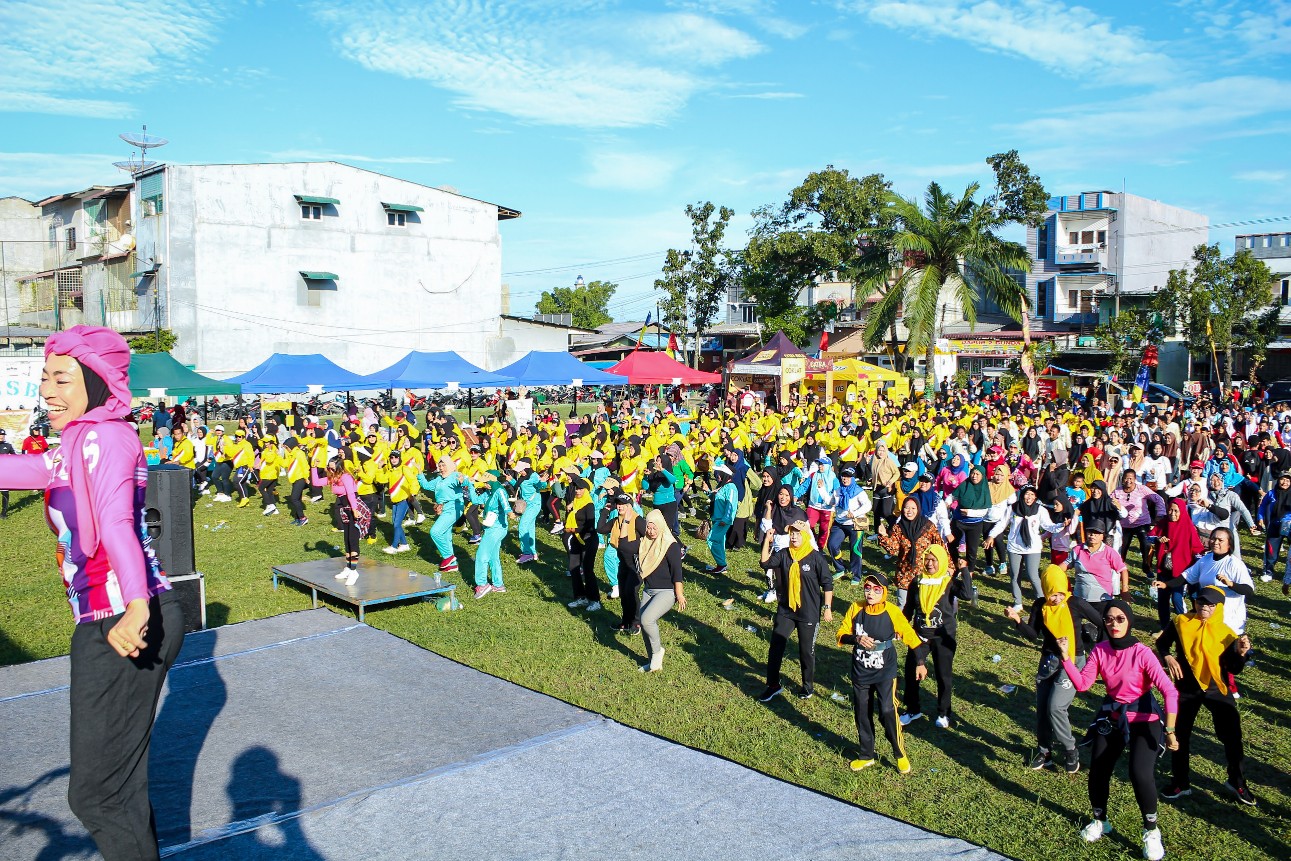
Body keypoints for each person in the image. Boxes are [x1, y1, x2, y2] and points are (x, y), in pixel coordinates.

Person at [0, 325, 184, 861]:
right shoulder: (76, 444)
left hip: (123, 619)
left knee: (97, 794)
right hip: (112, 617)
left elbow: (116, 522)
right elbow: (23, 469)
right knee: (116, 790)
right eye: (43, 378)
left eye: (62, 378)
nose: (47, 391)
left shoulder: (104, 437)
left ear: (98, 384)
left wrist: (137, 605)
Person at [1059, 601, 1178, 861]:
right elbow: (1083, 684)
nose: (1114, 624)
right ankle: (1100, 820)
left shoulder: (1142, 652)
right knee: (1099, 769)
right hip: (1112, 715)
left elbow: (1169, 691)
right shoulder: (1100, 650)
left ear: (1129, 621)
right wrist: (1066, 657)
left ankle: (1151, 830)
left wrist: (1170, 730)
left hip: (1144, 716)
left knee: (1140, 773)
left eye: (1120, 618)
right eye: (1109, 619)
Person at [1157, 586, 1256, 806]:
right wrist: (1169, 658)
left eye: (1211, 605)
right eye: (1201, 603)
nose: (1204, 608)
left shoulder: (1227, 635)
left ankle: (1236, 781)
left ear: (1219, 607)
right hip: (1186, 688)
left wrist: (1240, 655)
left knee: (1231, 736)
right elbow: (1162, 643)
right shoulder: (1181, 622)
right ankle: (1180, 783)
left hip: (1216, 689)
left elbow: (1233, 669)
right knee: (1180, 735)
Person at [1005, 565, 1104, 774]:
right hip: (1048, 661)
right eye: (1052, 594)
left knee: (1056, 707)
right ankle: (1045, 751)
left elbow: (1101, 622)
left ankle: (1070, 749)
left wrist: (1098, 649)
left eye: (1059, 593)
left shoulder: (1075, 603)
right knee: (1042, 709)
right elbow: (1033, 634)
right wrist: (1016, 620)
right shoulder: (1040, 605)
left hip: (1072, 661)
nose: (1056, 598)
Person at [836, 570, 923, 773]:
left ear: (883, 592)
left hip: (885, 671)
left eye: (876, 589)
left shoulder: (892, 611)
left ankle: (899, 753)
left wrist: (920, 661)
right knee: (862, 712)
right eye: (867, 588)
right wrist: (856, 639)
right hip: (861, 670)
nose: (870, 593)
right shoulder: (856, 608)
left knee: (886, 710)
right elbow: (841, 633)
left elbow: (909, 635)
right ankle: (866, 755)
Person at [757, 520, 834, 701]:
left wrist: (827, 608)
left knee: (806, 651)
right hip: (786, 609)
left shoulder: (815, 557)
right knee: (776, 646)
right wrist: (767, 541)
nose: (794, 536)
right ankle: (773, 685)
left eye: (798, 533)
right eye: (792, 533)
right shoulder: (784, 554)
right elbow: (765, 563)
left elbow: (827, 584)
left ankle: (807, 687)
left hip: (808, 612)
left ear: (806, 535)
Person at [901, 545, 971, 729]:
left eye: (934, 560)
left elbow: (967, 594)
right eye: (927, 559)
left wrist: (963, 569)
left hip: (943, 637)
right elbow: (909, 607)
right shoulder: (917, 582)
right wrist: (899, 626)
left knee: (943, 675)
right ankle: (912, 710)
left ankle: (943, 713)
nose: (930, 563)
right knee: (911, 672)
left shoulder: (948, 582)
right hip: (920, 635)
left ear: (941, 562)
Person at [636, 508, 685, 672]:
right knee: (644, 625)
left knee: (646, 619)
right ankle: (653, 662)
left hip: (665, 592)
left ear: (661, 526)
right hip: (648, 590)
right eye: (648, 528)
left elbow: (677, 572)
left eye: (654, 528)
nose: (651, 532)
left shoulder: (670, 545)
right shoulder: (645, 542)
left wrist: (679, 594)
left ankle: (658, 652)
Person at [878, 496, 946, 608]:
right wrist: (884, 535)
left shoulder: (928, 526)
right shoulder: (898, 528)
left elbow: (940, 548)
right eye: (906, 508)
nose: (909, 511)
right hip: (905, 573)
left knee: (923, 606)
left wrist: (948, 567)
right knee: (902, 605)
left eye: (913, 508)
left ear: (918, 509)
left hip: (924, 574)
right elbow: (893, 549)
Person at [602, 492, 647, 633]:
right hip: (623, 562)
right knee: (624, 593)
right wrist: (605, 511)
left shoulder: (637, 520)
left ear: (629, 506)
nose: (619, 506)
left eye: (622, 504)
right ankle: (625, 622)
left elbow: (650, 535)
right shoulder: (616, 521)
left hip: (635, 562)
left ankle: (636, 623)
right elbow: (600, 529)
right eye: (618, 504)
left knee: (631, 592)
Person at [468, 470, 511, 598]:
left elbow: (506, 504)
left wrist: (510, 513)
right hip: (491, 528)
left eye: (487, 482)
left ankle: (482, 584)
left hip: (497, 529)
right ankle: (498, 585)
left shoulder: (499, 491)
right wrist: (470, 485)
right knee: (493, 557)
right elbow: (475, 500)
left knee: (481, 556)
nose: (485, 484)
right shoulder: (489, 493)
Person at [327, 455, 367, 586]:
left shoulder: (346, 477)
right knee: (346, 539)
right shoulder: (334, 478)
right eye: (329, 468)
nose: (330, 471)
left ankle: (354, 571)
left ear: (338, 468)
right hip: (345, 510)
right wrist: (313, 467)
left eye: (332, 469)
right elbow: (316, 482)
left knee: (353, 539)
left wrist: (355, 510)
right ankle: (349, 567)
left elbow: (350, 493)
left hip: (354, 509)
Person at [564, 477, 602, 611]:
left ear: (586, 490)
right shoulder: (575, 501)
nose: (578, 491)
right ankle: (581, 597)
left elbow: (590, 526)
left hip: (588, 539)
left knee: (587, 569)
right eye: (576, 488)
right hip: (576, 538)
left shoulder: (589, 504)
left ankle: (595, 600)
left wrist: (574, 529)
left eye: (580, 488)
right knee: (573, 567)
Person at [706, 463, 738, 575]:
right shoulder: (722, 485)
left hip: (723, 521)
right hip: (717, 518)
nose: (717, 475)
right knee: (719, 541)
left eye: (719, 473)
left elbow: (731, 504)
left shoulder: (731, 487)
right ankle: (721, 565)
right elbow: (716, 498)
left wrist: (726, 519)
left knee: (711, 539)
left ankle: (721, 564)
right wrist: (707, 491)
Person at [0, 428, 15, 516]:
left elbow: (15, 457)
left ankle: (3, 513)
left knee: (5, 492)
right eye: (0, 435)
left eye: (3, 435)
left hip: (4, 473)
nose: (1, 437)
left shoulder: (8, 446)